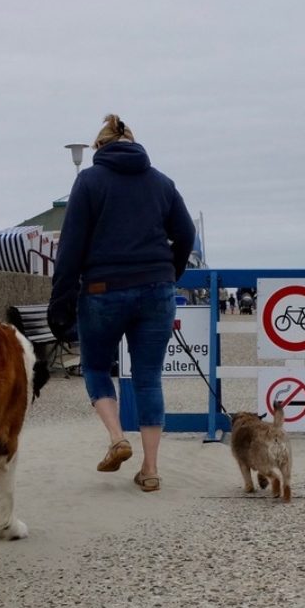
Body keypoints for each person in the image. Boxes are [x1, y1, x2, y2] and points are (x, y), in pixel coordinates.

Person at [48, 114, 195, 492]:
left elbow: (71, 247)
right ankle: (150, 469)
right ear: (133, 143)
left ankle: (117, 437)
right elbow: (186, 232)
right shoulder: (161, 182)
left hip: (102, 290)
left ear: (99, 148)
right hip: (156, 290)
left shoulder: (90, 181)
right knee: (148, 378)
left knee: (96, 367)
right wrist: (168, 274)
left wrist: (60, 303)